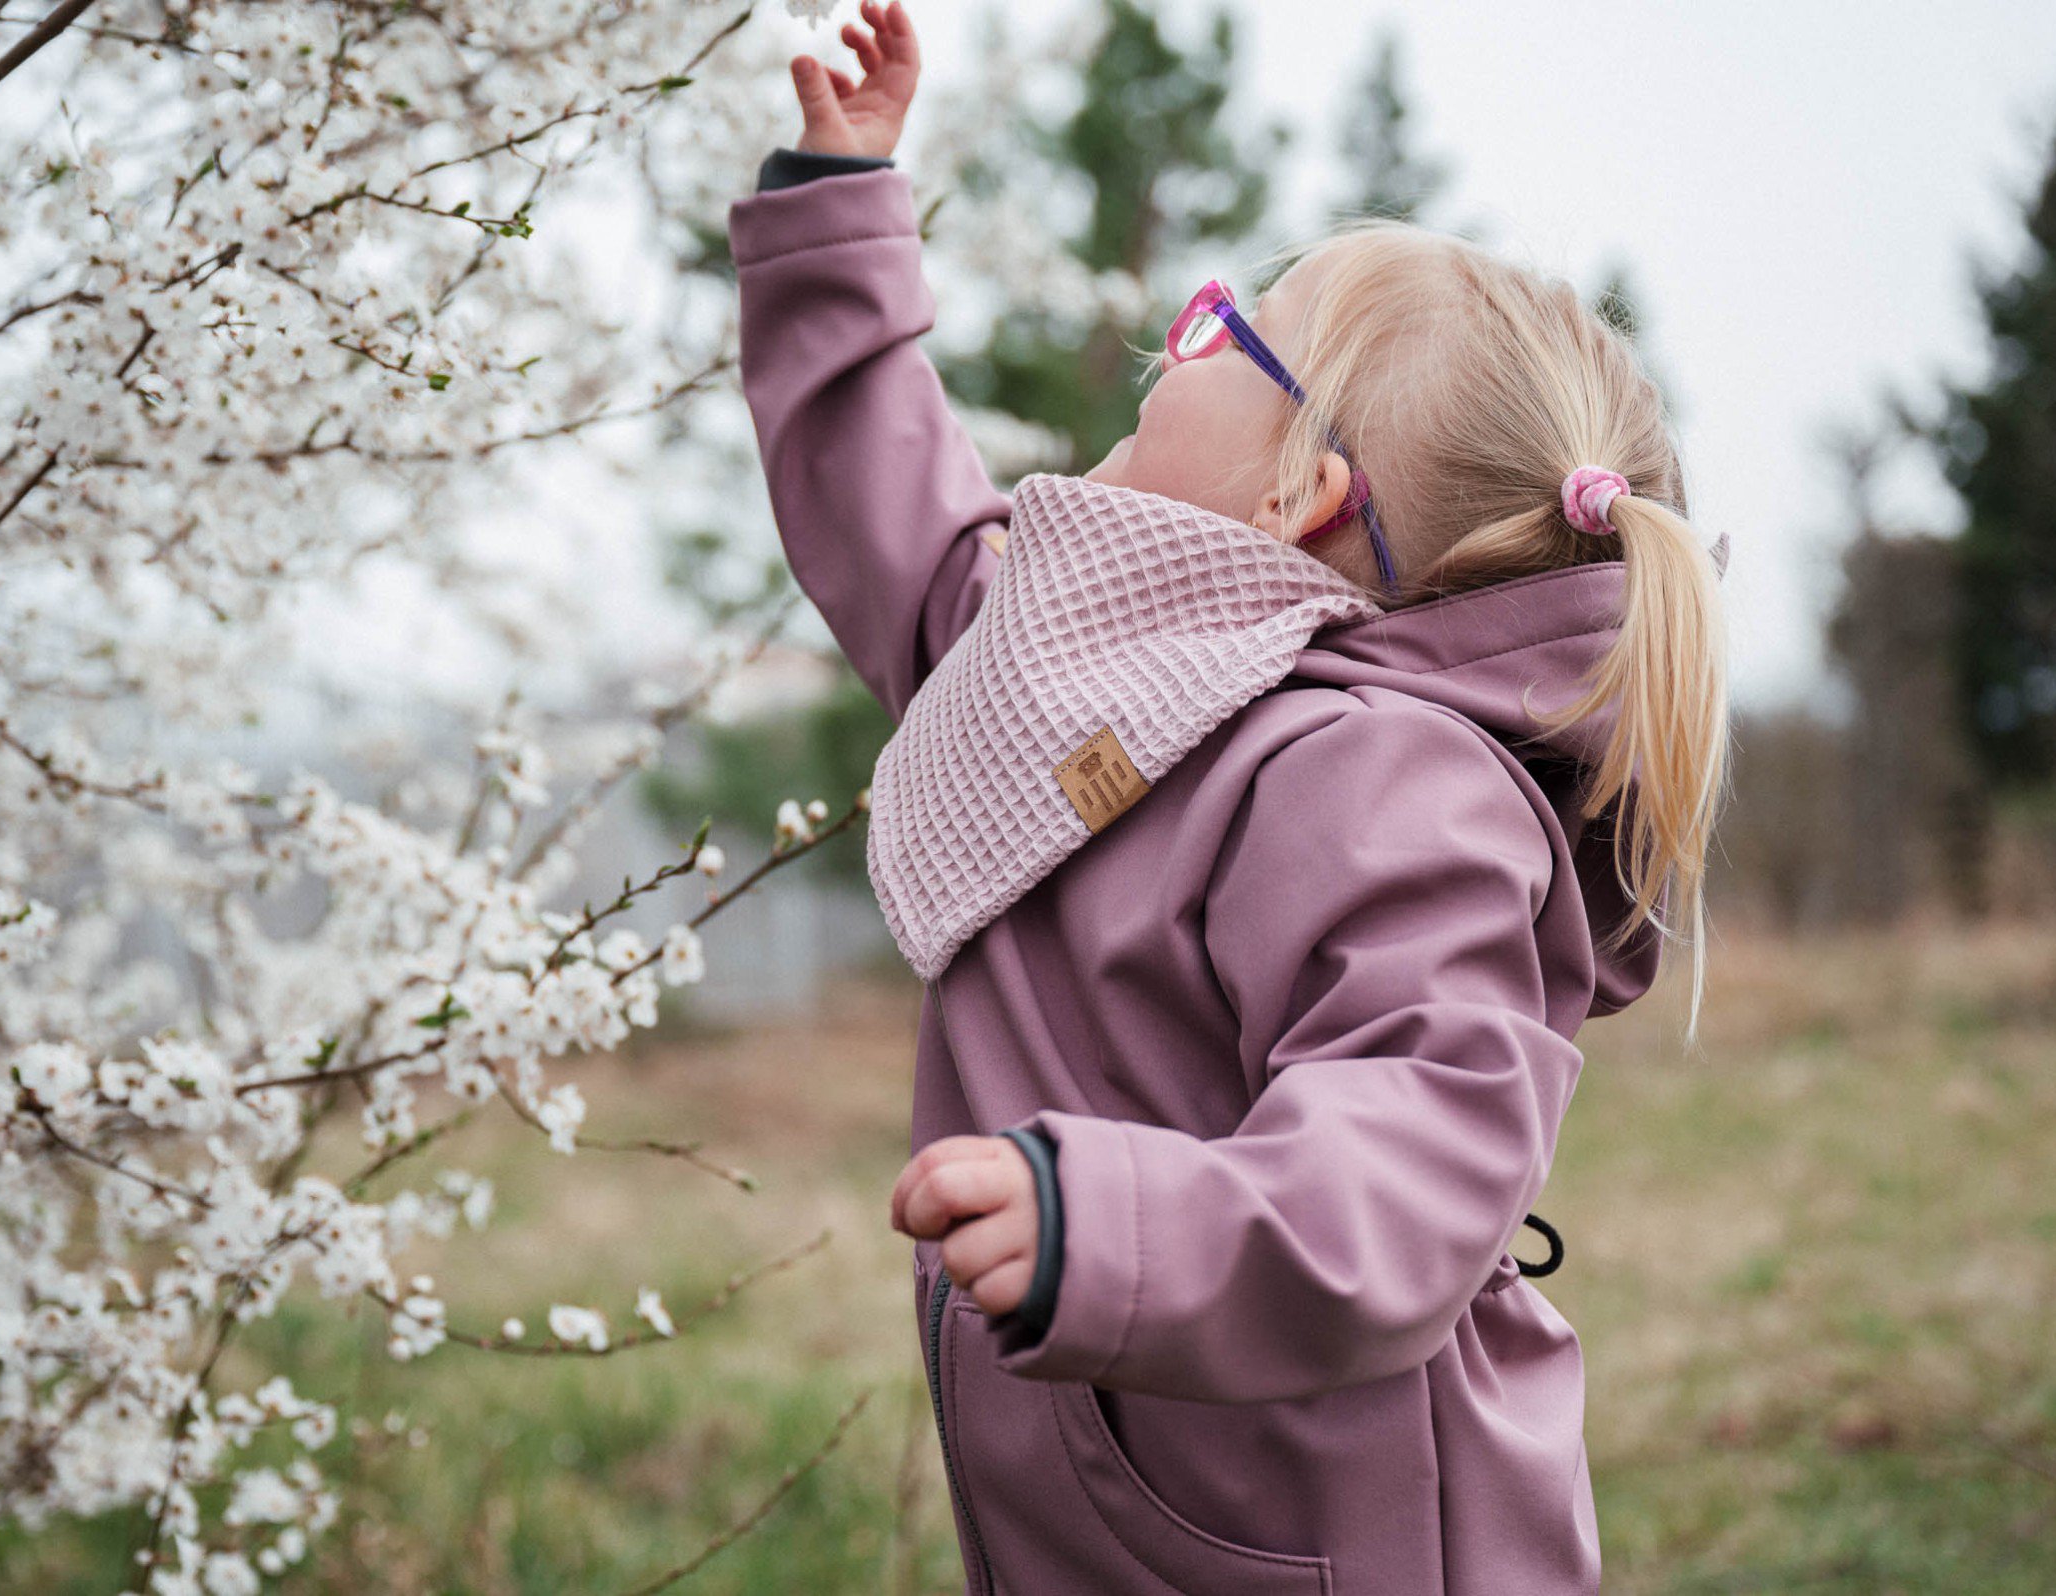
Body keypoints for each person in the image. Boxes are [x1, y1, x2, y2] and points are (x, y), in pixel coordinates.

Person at [727, 5, 1732, 1590]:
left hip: (1334, 1543)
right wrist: (834, 202)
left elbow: (1410, 1159)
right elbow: (905, 528)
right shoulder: (1095, 668)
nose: (1177, 333)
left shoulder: (1390, 784)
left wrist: (1110, 1225)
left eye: (1225, 328)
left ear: (1302, 487)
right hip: (1126, 1512)